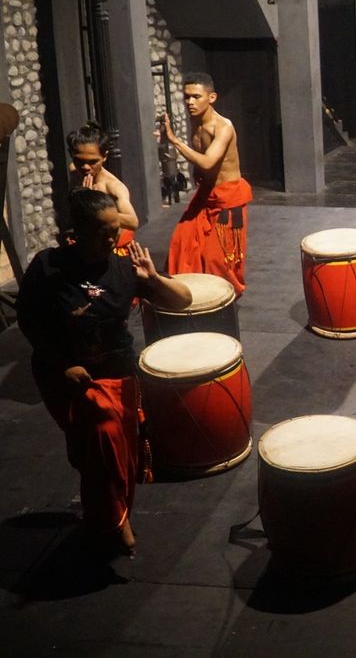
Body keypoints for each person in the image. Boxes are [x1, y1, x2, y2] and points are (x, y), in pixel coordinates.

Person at [17, 189, 192, 558]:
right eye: (102, 232)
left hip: (117, 372)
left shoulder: (124, 268)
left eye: (115, 231)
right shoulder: (48, 267)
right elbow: (29, 319)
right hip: (65, 374)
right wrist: (62, 363)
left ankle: (108, 515)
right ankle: (117, 523)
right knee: (103, 437)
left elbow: (183, 301)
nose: (111, 239)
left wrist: (154, 278)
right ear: (77, 230)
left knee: (119, 454)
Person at [162, 72, 251, 296]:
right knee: (181, 243)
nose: (190, 102)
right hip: (206, 195)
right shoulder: (196, 122)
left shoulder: (223, 127)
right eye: (187, 97)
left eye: (196, 96)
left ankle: (222, 299)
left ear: (211, 98)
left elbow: (209, 161)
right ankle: (189, 296)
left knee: (217, 259)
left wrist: (174, 141)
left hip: (227, 199)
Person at [64, 122, 139, 256]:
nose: (85, 167)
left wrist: (93, 208)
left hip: (110, 252)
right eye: (79, 161)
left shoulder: (113, 187)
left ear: (104, 156)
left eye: (93, 162)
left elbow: (133, 222)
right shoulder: (74, 171)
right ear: (71, 154)